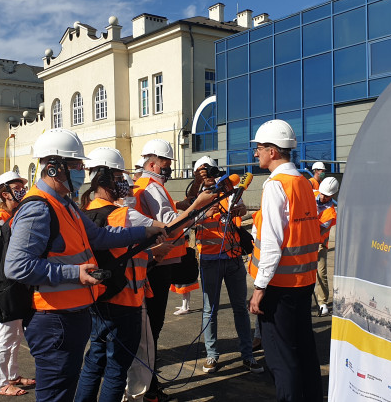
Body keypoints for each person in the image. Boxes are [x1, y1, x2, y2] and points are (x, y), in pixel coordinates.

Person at [4, 129, 166, 402]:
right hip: (53, 320)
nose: (82, 171)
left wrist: (146, 232)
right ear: (54, 169)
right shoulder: (38, 208)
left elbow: (100, 237)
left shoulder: (65, 204)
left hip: (71, 316)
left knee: (66, 390)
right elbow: (17, 266)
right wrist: (74, 273)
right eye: (77, 166)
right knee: (55, 396)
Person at [75, 147, 170, 402]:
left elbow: (115, 253)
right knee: (117, 369)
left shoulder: (85, 213)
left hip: (97, 296)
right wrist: (198, 204)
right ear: (105, 179)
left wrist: (149, 255)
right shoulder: (122, 214)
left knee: (94, 362)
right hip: (125, 300)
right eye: (118, 177)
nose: (124, 183)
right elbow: (168, 226)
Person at [133, 138, 215, 402]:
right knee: (152, 327)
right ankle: (149, 386)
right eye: (166, 163)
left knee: (149, 328)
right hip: (157, 264)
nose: (168, 168)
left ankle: (147, 383)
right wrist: (197, 206)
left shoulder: (147, 184)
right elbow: (170, 225)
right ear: (154, 163)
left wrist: (192, 206)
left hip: (156, 263)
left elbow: (169, 217)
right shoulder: (152, 187)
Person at [247, 119, 323, 402]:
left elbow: (272, 242)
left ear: (273, 151)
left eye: (259, 148)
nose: (256, 154)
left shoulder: (275, 185)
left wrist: (259, 287)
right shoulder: (302, 182)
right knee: (303, 349)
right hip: (303, 282)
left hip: (279, 286)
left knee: (281, 357)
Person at [192, 156, 262, 374]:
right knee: (209, 310)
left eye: (211, 172)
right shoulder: (196, 196)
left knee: (240, 308)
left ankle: (247, 355)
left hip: (233, 259)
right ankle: (212, 355)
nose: (209, 178)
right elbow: (187, 220)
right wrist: (204, 214)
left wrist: (239, 210)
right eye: (204, 173)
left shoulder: (228, 191)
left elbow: (241, 209)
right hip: (209, 261)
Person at [0, 171, 35, 397]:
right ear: (4, 194)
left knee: (16, 334)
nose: (22, 190)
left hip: (15, 284)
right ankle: (1, 382)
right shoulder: (1, 221)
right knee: (7, 334)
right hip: (5, 286)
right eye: (17, 187)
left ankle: (13, 375)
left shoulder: (13, 217)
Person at [313, 177, 339, 317]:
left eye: (326, 195)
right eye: (322, 193)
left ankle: (322, 301)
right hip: (302, 239)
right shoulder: (311, 194)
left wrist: (313, 242)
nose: (322, 197)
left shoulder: (330, 213)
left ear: (332, 195)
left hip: (320, 242)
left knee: (320, 271)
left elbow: (321, 232)